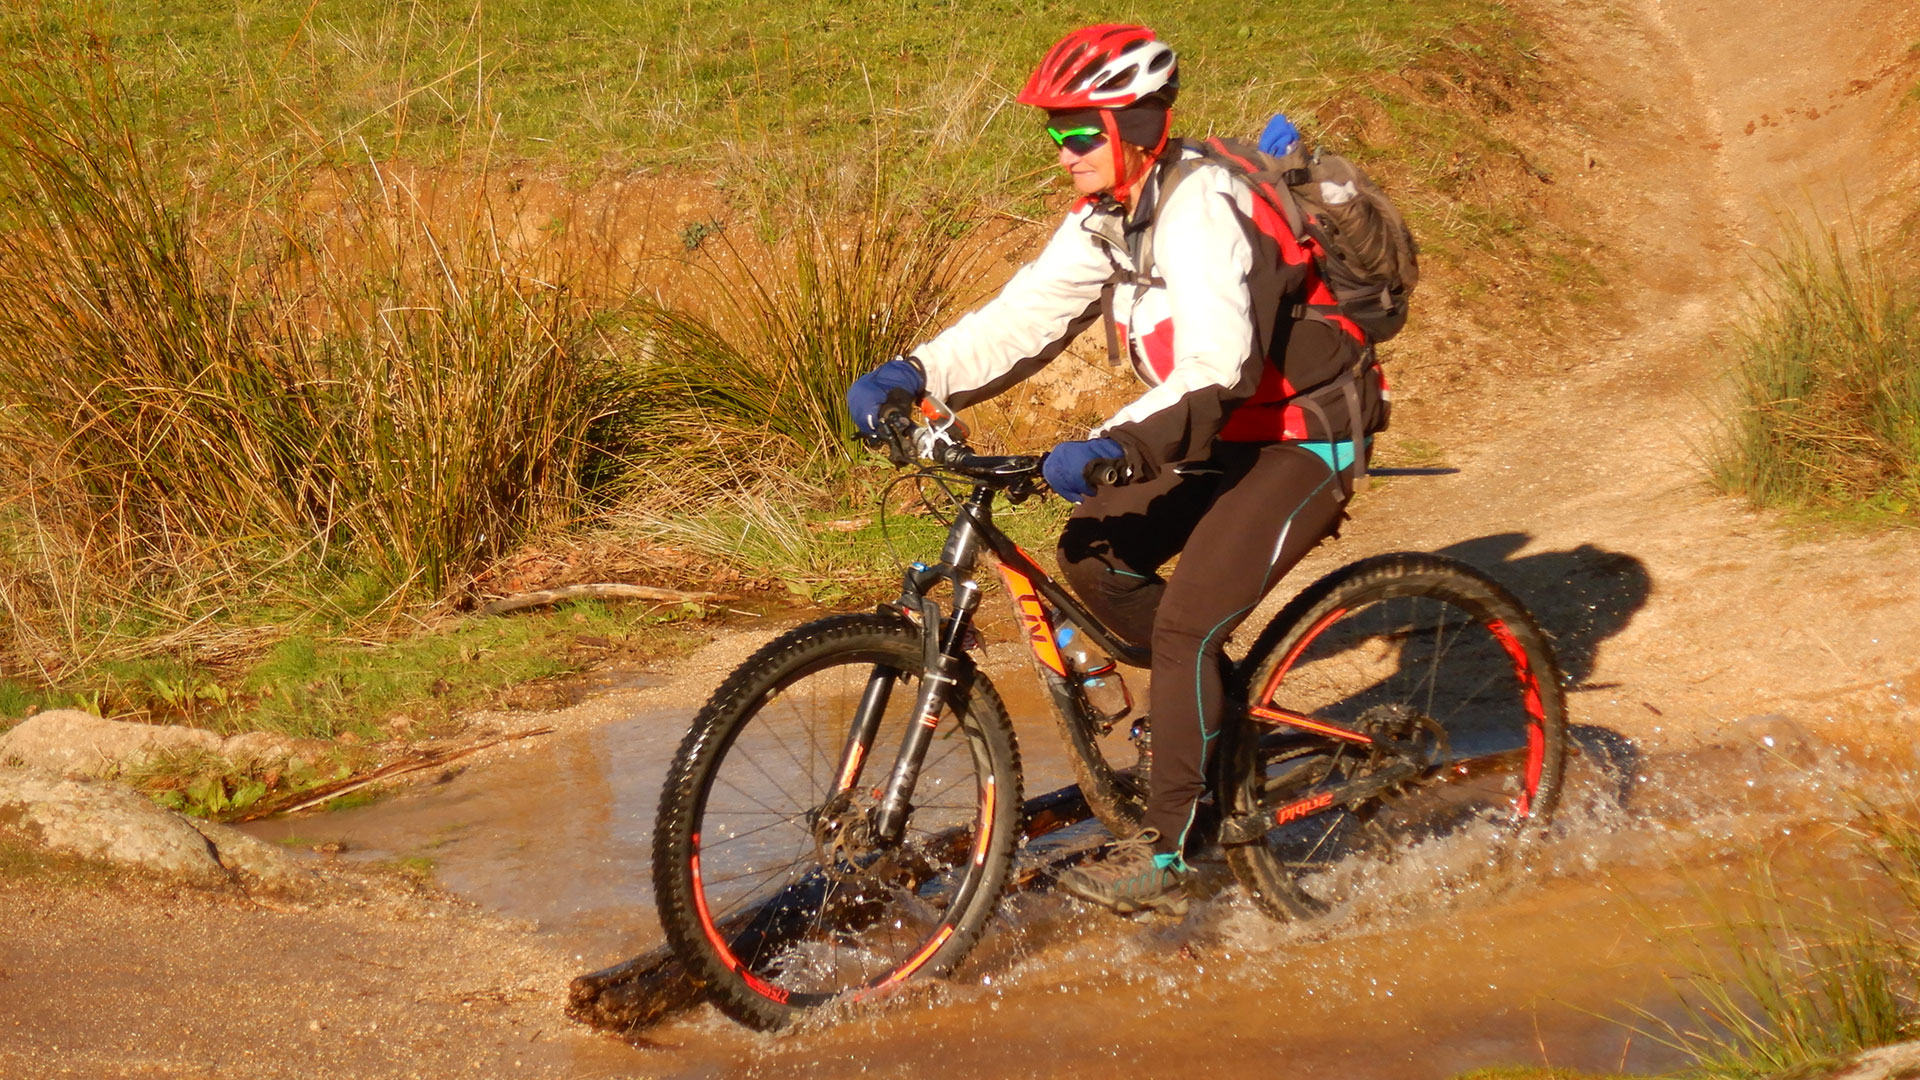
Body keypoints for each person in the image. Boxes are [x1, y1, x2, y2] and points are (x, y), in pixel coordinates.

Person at [846, 24, 1387, 916]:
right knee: (1093, 553)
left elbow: (1218, 367)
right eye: (1052, 133)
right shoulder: (1108, 215)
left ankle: (1180, 849)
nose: (1061, 151)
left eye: (1077, 130)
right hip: (1217, 434)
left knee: (1183, 628)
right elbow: (1023, 315)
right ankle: (1206, 718)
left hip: (1303, 434)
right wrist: (917, 373)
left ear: (1134, 124)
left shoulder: (1203, 206)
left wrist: (1116, 444)